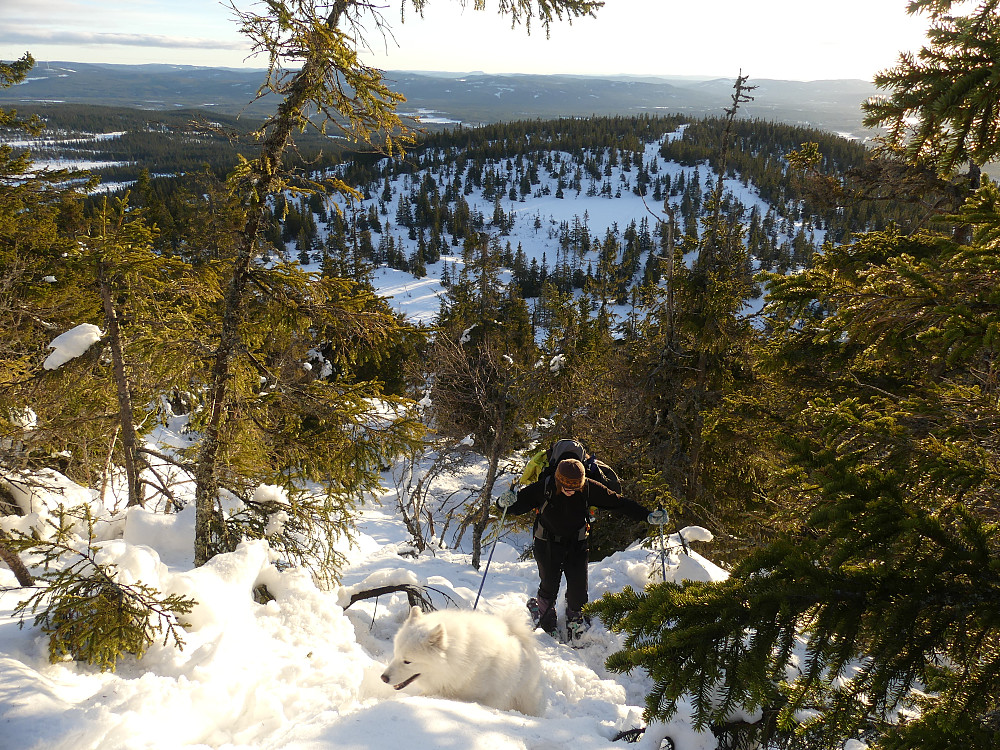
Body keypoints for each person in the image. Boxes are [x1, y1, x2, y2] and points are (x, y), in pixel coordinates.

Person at [496, 457, 666, 642]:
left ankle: (575, 616)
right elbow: (514, 506)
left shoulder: (589, 487)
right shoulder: (544, 487)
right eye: (566, 487)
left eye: (575, 488)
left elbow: (619, 503)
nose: (570, 491)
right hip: (547, 543)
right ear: (558, 481)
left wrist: (648, 516)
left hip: (577, 543)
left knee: (578, 588)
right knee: (549, 584)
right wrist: (503, 502)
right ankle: (545, 613)